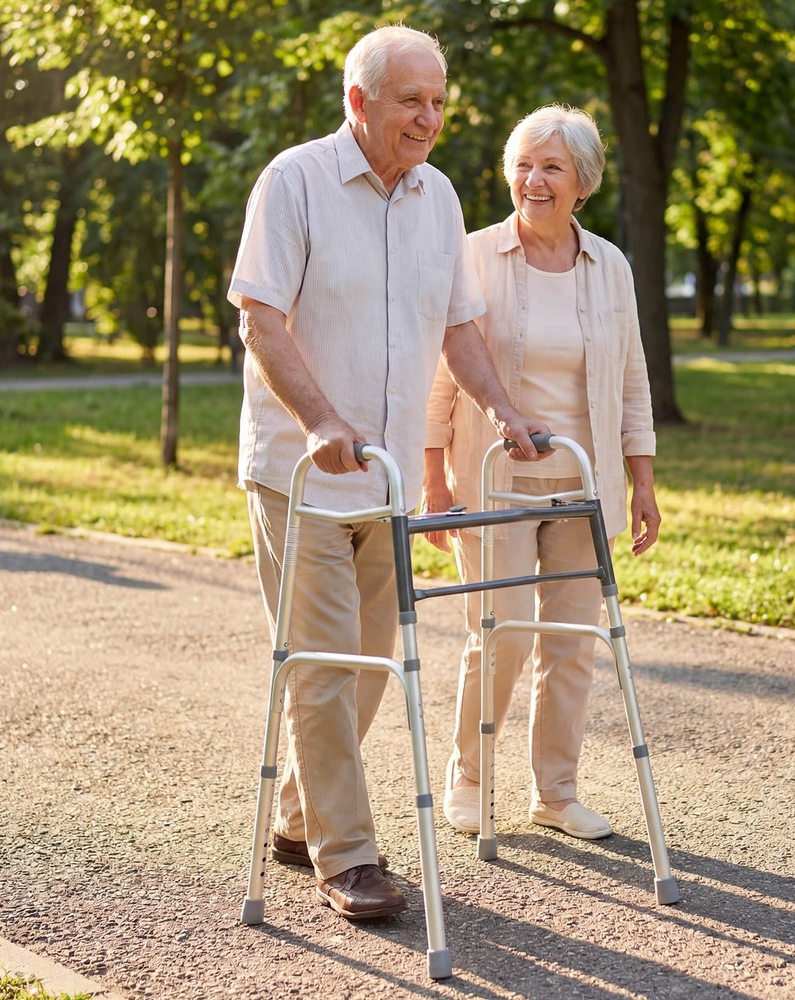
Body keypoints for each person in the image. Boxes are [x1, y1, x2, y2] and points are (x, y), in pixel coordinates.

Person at [227, 26, 548, 920]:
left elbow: (458, 328)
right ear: (359, 101)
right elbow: (259, 319)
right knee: (325, 664)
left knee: (370, 661)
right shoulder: (294, 181)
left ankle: (300, 816)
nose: (429, 118)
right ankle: (349, 857)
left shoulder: (437, 197)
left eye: (439, 101)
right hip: (302, 474)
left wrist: (506, 411)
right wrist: (320, 419)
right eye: (412, 100)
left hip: (387, 477)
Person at [422, 104, 661, 842]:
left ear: (582, 183)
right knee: (500, 635)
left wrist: (642, 479)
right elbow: (441, 374)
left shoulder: (610, 266)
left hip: (583, 486)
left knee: (570, 644)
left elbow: (631, 375)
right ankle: (469, 778)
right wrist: (434, 480)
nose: (533, 180)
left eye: (551, 167)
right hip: (492, 481)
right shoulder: (474, 256)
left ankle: (555, 793)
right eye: (523, 165)